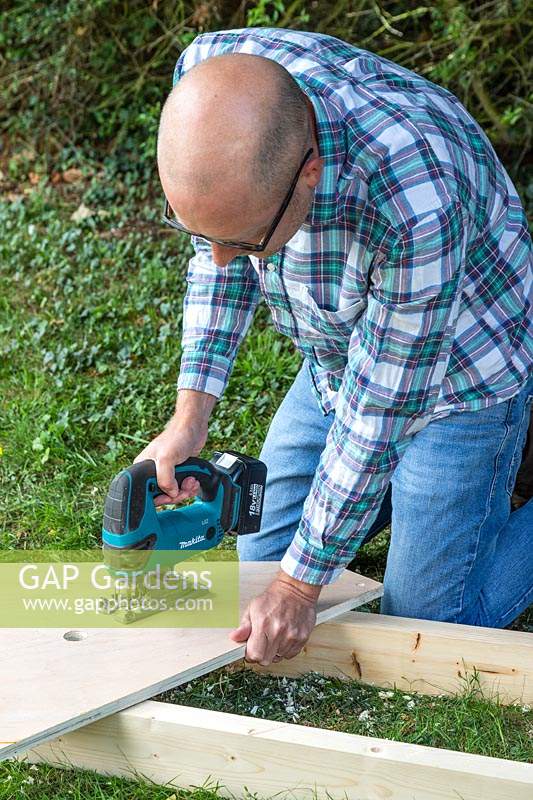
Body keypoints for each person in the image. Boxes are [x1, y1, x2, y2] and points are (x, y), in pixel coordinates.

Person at [135, 27, 532, 667]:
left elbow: (381, 413)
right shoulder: (214, 80)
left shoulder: (415, 195)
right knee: (261, 569)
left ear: (309, 174)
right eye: (199, 233)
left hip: (460, 369)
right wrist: (190, 419)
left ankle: (464, 487)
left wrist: (302, 584)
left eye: (244, 242)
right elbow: (218, 252)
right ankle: (383, 504)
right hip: (339, 352)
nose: (217, 258)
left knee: (427, 624)